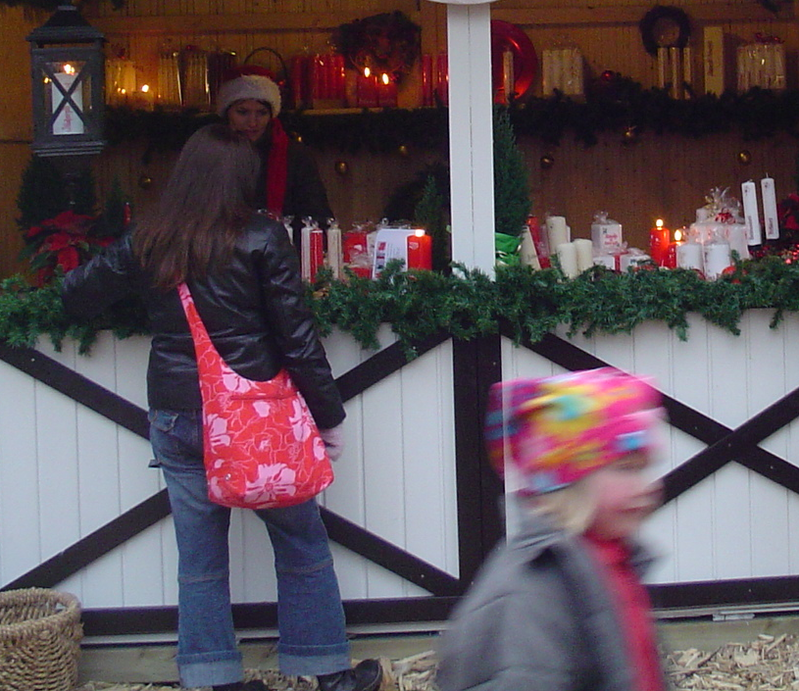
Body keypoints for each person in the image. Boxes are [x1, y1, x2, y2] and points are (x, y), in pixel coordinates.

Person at [61, 124, 381, 691]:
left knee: (200, 560)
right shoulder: (260, 236)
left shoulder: (149, 238)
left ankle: (215, 680)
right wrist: (328, 416)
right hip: (252, 418)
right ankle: (327, 673)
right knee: (302, 543)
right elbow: (297, 338)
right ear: (242, 177)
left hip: (176, 413)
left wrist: (144, 301)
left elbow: (77, 295)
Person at [437, 368, 667, 691]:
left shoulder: (611, 562)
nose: (645, 487)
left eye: (644, 469)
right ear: (572, 482)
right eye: (626, 469)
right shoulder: (529, 594)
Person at [215, 72, 332, 224]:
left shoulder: (294, 155)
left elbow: (317, 214)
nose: (252, 122)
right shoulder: (211, 151)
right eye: (243, 112)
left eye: (261, 113)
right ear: (227, 113)